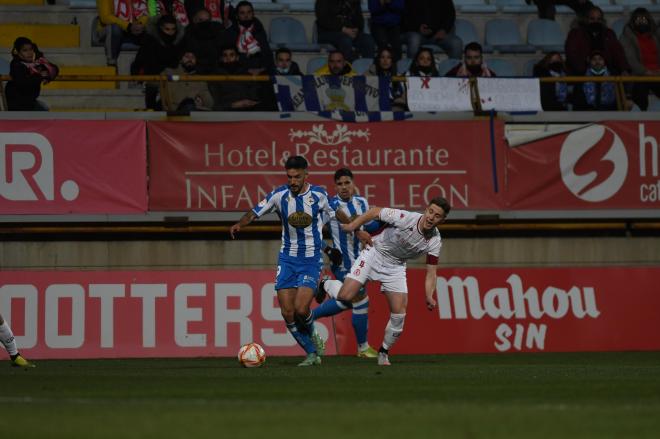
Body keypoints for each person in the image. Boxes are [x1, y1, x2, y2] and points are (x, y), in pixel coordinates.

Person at [230, 156, 352, 366]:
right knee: (287, 312)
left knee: (301, 309)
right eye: (289, 177)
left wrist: (355, 228)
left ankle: (313, 334)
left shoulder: (319, 195)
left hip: (311, 259)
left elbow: (337, 213)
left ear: (306, 174)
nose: (293, 181)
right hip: (287, 259)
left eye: (297, 177)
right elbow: (255, 211)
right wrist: (240, 224)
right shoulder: (279, 195)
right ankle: (312, 353)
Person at [317, 197, 451, 366]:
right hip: (374, 252)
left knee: (399, 313)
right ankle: (325, 283)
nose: (431, 217)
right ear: (426, 210)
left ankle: (384, 352)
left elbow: (431, 272)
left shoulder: (435, 241)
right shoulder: (406, 217)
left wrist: (429, 295)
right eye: (430, 212)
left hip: (395, 267)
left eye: (437, 216)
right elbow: (375, 212)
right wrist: (353, 227)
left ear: (442, 220)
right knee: (345, 295)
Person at [313, 168, 379, 358]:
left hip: (361, 263)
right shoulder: (330, 206)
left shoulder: (362, 202)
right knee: (360, 299)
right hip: (342, 264)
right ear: (335, 187)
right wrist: (328, 250)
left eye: (347, 183)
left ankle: (311, 315)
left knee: (348, 302)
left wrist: (385, 222)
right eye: (339, 184)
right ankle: (363, 348)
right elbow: (313, 233)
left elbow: (368, 226)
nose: (343, 187)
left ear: (353, 184)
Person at [131, 15, 184, 110]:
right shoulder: (150, 40)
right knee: (152, 86)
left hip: (172, 75)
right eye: (167, 29)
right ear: (160, 28)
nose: (170, 33)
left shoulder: (179, 41)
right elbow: (140, 59)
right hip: (153, 74)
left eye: (173, 29)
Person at [565, 6, 630, 76]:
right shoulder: (576, 34)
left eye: (598, 19)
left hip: (607, 73)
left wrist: (624, 69)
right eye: (592, 19)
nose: (595, 22)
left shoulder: (609, 34)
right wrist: (585, 71)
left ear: (602, 20)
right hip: (582, 73)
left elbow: (618, 53)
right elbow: (572, 55)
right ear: (586, 19)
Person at [619, 7, 660, 111]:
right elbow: (630, 58)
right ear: (633, 22)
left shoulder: (656, 34)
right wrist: (646, 72)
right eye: (638, 20)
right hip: (639, 75)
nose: (642, 22)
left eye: (644, 19)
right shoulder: (626, 36)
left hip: (657, 73)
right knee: (640, 91)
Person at [4, 37, 59, 111]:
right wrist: (40, 76)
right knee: (43, 110)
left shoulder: (37, 62)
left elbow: (54, 69)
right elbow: (23, 82)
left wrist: (48, 75)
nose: (29, 53)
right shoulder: (16, 64)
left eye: (31, 49)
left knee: (45, 109)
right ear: (17, 52)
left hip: (30, 102)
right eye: (25, 50)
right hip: (17, 103)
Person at [226, 1, 275, 75]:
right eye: (242, 13)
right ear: (237, 15)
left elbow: (266, 53)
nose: (246, 15)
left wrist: (262, 69)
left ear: (253, 14)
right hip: (237, 72)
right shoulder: (231, 32)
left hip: (259, 71)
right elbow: (228, 57)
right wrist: (245, 70)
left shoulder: (259, 30)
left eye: (249, 12)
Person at [94, 0, 149, 66]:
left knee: (153, 26)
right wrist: (128, 26)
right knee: (115, 28)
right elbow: (105, 17)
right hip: (108, 29)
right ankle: (111, 63)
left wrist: (140, 24)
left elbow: (147, 12)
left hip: (132, 29)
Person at [366, 46, 406, 110]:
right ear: (378, 59)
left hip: (396, 108)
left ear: (392, 60)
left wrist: (401, 99)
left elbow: (406, 91)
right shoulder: (373, 75)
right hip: (377, 108)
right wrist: (371, 69)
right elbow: (361, 86)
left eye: (388, 57)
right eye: (382, 57)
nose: (385, 60)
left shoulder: (399, 76)